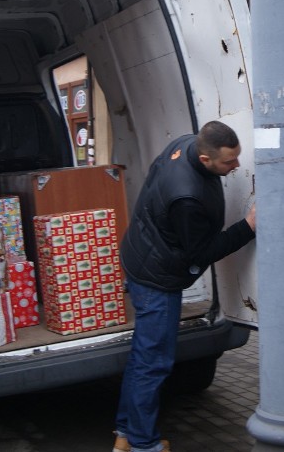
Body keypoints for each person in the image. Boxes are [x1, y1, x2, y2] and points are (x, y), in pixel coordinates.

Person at [114, 121, 256, 452]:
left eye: (237, 157)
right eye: (229, 162)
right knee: (154, 363)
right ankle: (143, 444)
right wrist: (247, 227)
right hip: (156, 279)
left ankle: (126, 432)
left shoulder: (187, 142)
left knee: (143, 357)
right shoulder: (187, 196)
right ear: (205, 160)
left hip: (142, 256)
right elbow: (202, 253)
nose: (236, 165)